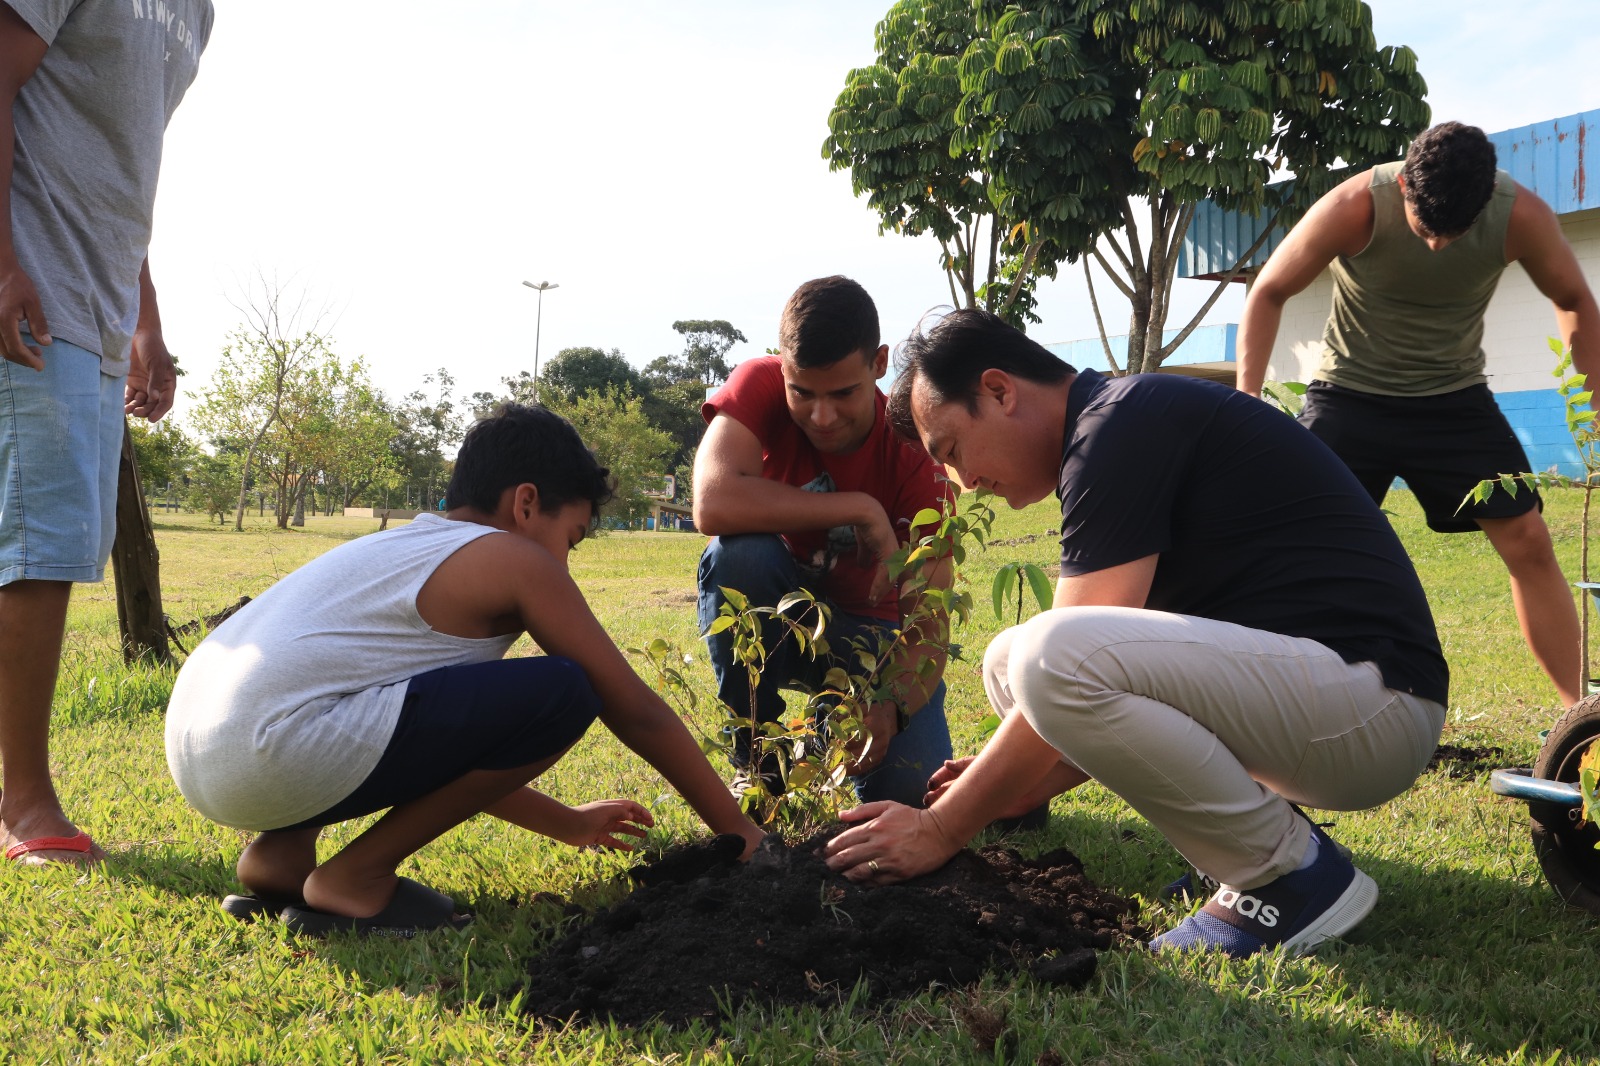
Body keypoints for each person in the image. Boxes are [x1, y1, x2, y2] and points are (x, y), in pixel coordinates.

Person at [823, 309, 1450, 959]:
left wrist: (941, 828)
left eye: (951, 450)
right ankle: (1247, 849)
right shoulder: (1113, 424)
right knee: (1010, 661)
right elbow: (1104, 674)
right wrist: (1023, 781)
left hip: (1372, 703)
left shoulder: (1117, 425)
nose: (964, 482)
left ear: (1000, 391)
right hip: (1327, 697)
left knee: (1044, 654)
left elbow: (1069, 662)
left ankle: (1287, 874)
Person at [166, 405, 765, 936]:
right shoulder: (514, 559)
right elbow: (633, 709)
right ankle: (357, 877)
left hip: (204, 753)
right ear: (526, 503)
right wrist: (741, 835)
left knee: (373, 698)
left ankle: (278, 859)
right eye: (571, 538)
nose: (563, 561)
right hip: (277, 748)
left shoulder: (399, 548)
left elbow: (445, 747)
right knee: (565, 690)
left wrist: (564, 821)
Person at [1237, 121, 1600, 708]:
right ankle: (1259, 702)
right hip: (1349, 396)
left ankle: (1583, 716)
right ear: (1405, 184)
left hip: (1453, 401)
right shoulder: (1355, 204)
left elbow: (1575, 300)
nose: (1436, 245)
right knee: (1292, 549)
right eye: (1426, 227)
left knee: (1529, 538)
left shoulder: (1520, 216)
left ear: (1484, 202)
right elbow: (1268, 290)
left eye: (1453, 233)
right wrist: (1248, 399)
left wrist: (1593, 409)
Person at [0, 0, 212, 866]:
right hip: (32, 278)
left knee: (63, 539)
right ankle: (24, 804)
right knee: (39, 544)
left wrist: (143, 312)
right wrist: (4, 263)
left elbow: (125, 157)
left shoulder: (196, 13)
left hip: (94, 292)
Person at [693, 275, 955, 807]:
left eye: (844, 393)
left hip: (871, 644)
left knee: (910, 793)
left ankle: (821, 733)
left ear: (880, 364)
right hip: (780, 618)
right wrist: (861, 509)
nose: (822, 417)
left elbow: (930, 620)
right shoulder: (758, 383)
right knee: (739, 555)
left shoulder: (913, 450)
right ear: (782, 367)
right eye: (802, 393)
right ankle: (758, 755)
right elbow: (713, 502)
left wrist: (890, 706)